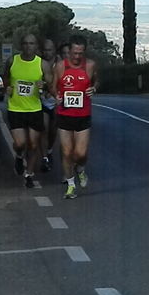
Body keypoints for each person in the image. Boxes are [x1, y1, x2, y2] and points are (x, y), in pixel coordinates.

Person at [3, 34, 53, 188]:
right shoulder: (13, 60)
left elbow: (50, 85)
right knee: (20, 143)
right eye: (25, 43)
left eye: (31, 43)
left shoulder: (42, 64)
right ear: (21, 45)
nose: (28, 46)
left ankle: (29, 174)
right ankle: (19, 156)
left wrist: (43, 86)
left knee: (32, 144)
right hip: (15, 108)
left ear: (36, 46)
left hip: (34, 109)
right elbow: (5, 77)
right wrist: (7, 88)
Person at [51, 35, 98, 199]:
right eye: (74, 53)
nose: (77, 56)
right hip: (64, 114)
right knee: (66, 152)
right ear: (69, 51)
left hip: (83, 115)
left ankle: (80, 170)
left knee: (81, 154)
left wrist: (94, 89)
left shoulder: (90, 65)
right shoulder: (60, 66)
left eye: (80, 53)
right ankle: (71, 185)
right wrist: (55, 95)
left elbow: (95, 81)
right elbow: (53, 85)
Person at [39, 39, 59, 172]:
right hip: (42, 101)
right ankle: (44, 158)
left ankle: (50, 150)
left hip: (56, 102)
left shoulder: (61, 63)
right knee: (44, 129)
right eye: (45, 50)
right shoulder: (38, 63)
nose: (47, 52)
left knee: (53, 131)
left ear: (54, 50)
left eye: (50, 49)